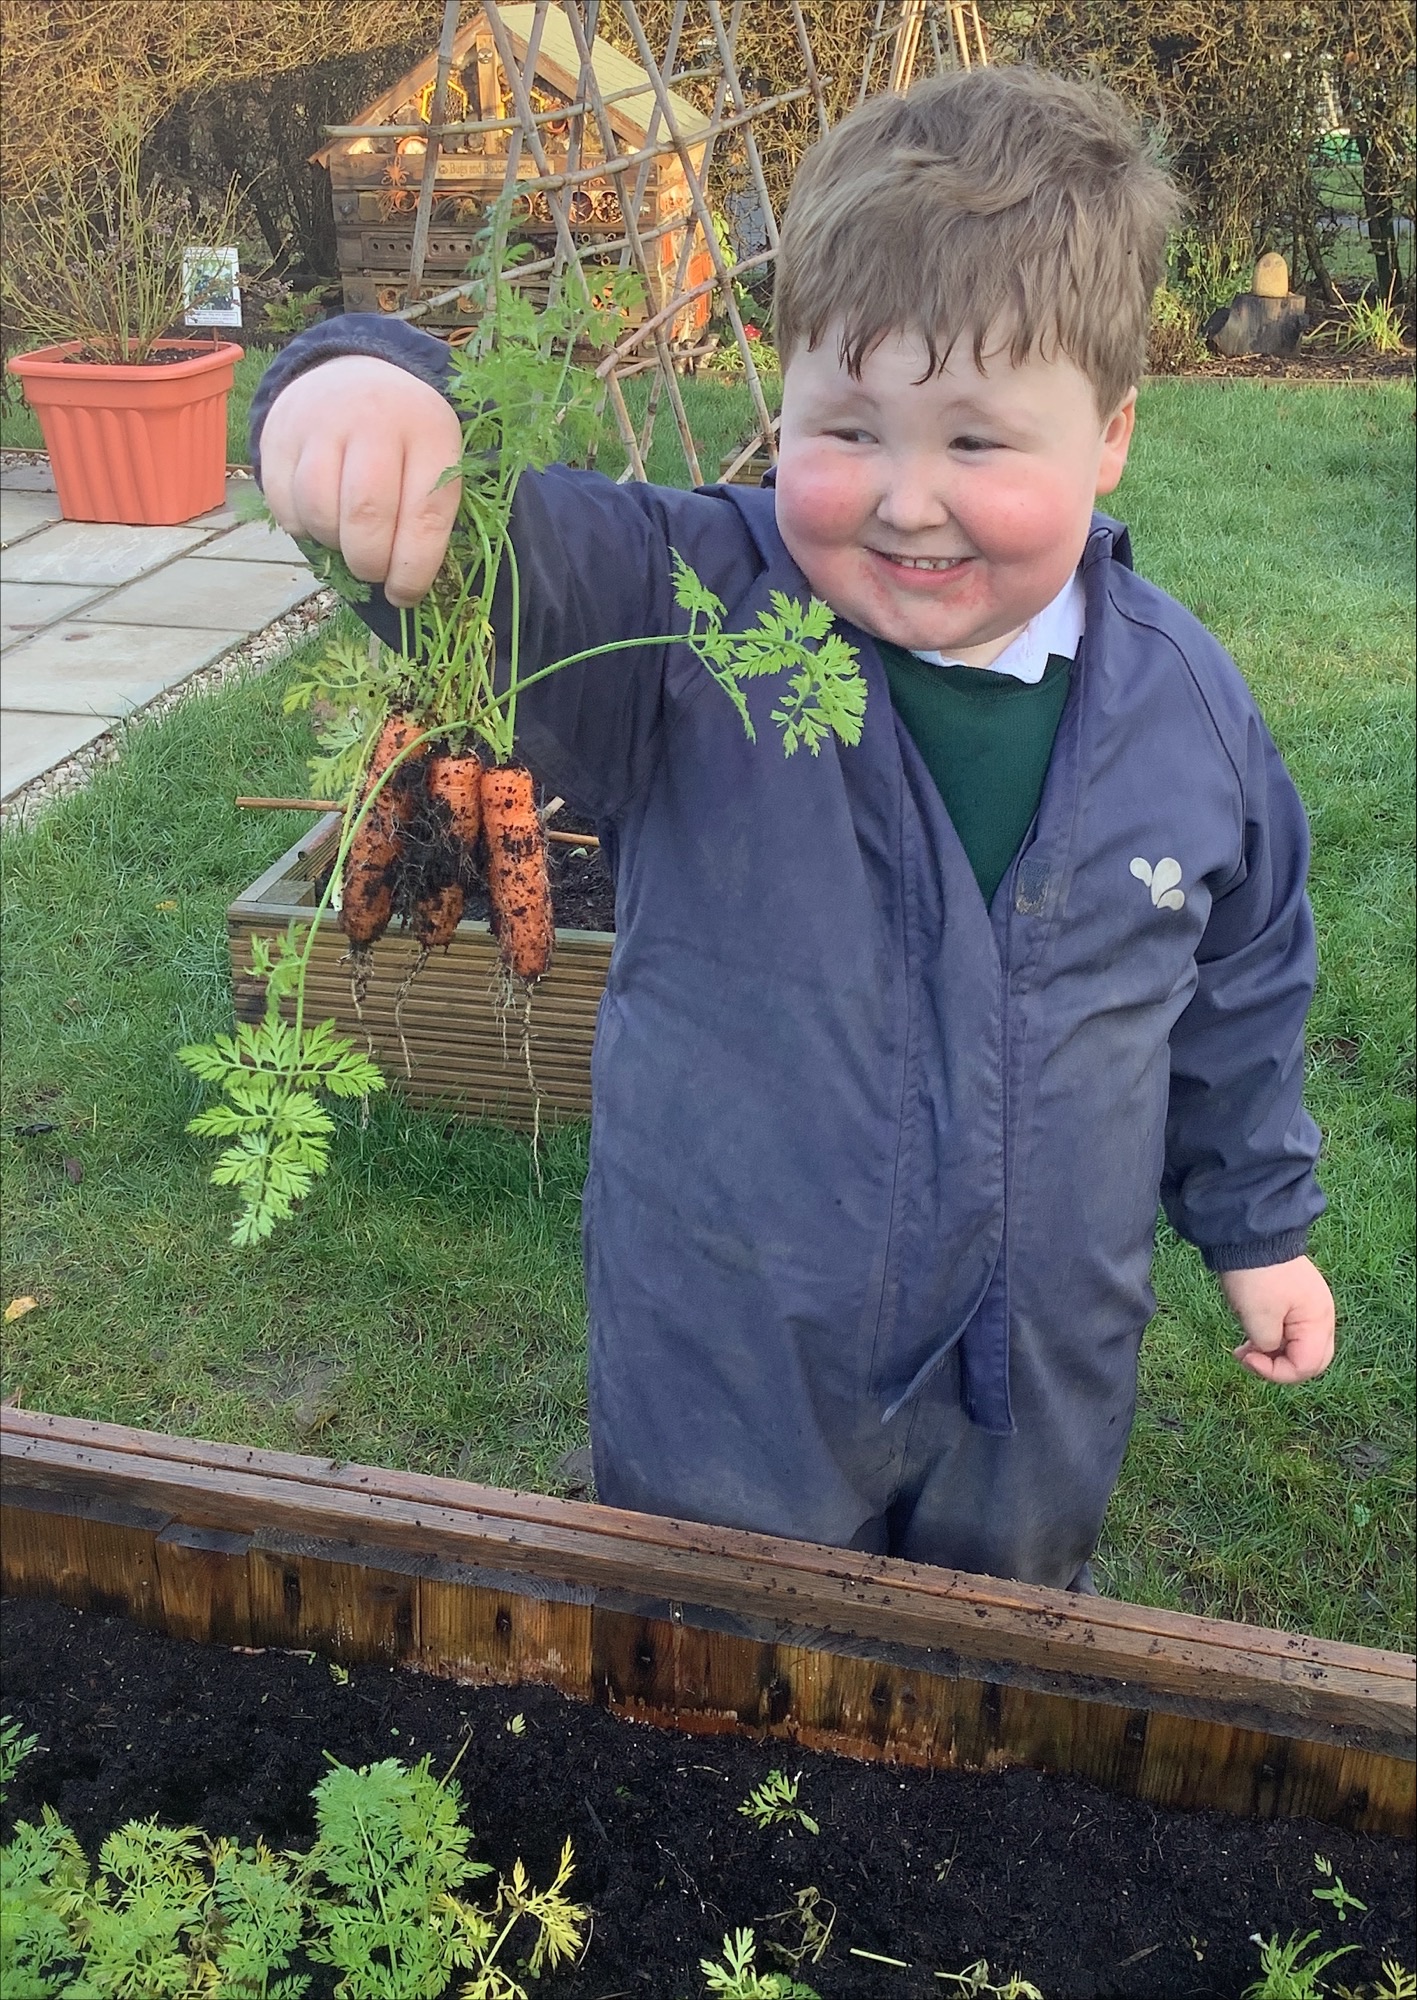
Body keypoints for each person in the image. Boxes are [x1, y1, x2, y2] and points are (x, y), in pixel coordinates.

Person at [249, 66, 1335, 1591]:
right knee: (707, 1656)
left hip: (1034, 1370)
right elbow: (490, 551)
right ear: (783, 400)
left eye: (975, 444)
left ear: (1109, 437)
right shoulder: (684, 616)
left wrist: (1256, 1223)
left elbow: (1237, 984)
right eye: (847, 428)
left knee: (990, 1666)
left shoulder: (1185, 708)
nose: (904, 500)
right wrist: (356, 386)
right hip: (726, 1353)